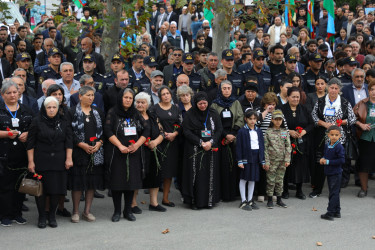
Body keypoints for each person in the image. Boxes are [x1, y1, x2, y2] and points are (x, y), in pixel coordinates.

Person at [27, 96, 73, 228]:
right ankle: (42, 216)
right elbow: (30, 144)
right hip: (41, 161)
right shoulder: (37, 121)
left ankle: (52, 215)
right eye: (49, 107)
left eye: (54, 107)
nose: (52, 110)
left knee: (56, 190)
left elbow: (69, 141)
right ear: (44, 108)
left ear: (58, 109)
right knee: (41, 190)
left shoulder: (64, 122)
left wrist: (69, 158)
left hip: (59, 161)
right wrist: (31, 162)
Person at [104, 88, 148, 222]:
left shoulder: (135, 113)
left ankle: (127, 211)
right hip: (117, 152)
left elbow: (147, 129)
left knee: (131, 183)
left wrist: (137, 145)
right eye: (126, 97)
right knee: (117, 183)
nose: (128, 100)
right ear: (120, 98)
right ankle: (117, 211)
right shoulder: (113, 112)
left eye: (130, 98)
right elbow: (107, 130)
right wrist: (120, 146)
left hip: (133, 152)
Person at [311, 78, 357, 192]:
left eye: (336, 88)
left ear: (339, 89)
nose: (333, 90)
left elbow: (352, 119)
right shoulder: (321, 101)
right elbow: (313, 116)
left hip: (339, 137)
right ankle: (317, 189)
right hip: (323, 136)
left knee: (337, 163)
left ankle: (336, 189)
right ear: (328, 88)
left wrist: (340, 122)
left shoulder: (345, 102)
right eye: (331, 88)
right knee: (321, 162)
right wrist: (324, 123)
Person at [68, 86, 105, 223]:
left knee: (91, 183)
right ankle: (76, 211)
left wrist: (99, 143)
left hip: (95, 152)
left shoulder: (97, 111)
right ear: (80, 96)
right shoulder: (72, 112)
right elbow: (69, 132)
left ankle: (87, 211)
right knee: (78, 183)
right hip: (79, 152)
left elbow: (104, 132)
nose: (91, 98)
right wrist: (81, 144)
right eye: (88, 95)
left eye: (92, 95)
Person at [0, 80, 34, 227]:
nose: (13, 95)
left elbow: (34, 128)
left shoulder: (26, 110)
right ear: (3, 95)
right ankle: (5, 215)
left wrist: (27, 134)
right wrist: (6, 134)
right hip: (4, 154)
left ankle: (17, 213)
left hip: (22, 154)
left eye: (15, 92)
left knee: (20, 186)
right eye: (9, 93)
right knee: (5, 187)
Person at [181, 92, 222, 209]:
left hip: (210, 149)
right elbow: (186, 131)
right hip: (194, 149)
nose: (203, 106)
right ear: (196, 103)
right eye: (200, 103)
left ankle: (209, 201)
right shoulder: (190, 114)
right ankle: (195, 201)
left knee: (210, 174)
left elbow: (219, 129)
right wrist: (200, 142)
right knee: (196, 175)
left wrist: (211, 142)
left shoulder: (213, 113)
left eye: (205, 103)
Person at [211, 80, 244, 202]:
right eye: (224, 88)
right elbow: (214, 121)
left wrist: (233, 133)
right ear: (220, 90)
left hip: (233, 139)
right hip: (220, 139)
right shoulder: (215, 104)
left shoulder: (236, 102)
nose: (226, 91)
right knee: (221, 167)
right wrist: (225, 135)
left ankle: (233, 193)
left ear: (232, 90)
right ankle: (221, 193)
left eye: (228, 88)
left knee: (233, 166)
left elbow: (240, 118)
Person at [133, 92, 166, 212]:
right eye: (138, 102)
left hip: (155, 150)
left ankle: (154, 203)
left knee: (155, 175)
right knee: (137, 177)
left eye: (143, 102)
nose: (140, 104)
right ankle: (133, 204)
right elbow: (131, 134)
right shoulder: (133, 116)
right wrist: (145, 142)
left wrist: (155, 142)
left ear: (148, 104)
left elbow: (162, 132)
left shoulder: (153, 115)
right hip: (139, 151)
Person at [150, 86, 181, 207]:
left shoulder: (176, 108)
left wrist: (175, 133)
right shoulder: (154, 108)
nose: (166, 96)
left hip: (172, 143)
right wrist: (162, 134)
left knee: (169, 172)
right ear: (159, 96)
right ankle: (154, 201)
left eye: (168, 93)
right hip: (159, 142)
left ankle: (166, 198)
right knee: (158, 171)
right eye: (163, 94)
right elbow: (154, 123)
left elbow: (179, 123)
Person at [281, 86, 314, 200]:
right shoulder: (282, 109)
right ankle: (284, 190)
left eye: (297, 97)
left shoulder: (304, 109)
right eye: (293, 97)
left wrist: (304, 131)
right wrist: (288, 131)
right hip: (286, 142)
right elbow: (276, 126)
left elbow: (311, 124)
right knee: (286, 166)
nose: (295, 99)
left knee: (301, 166)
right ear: (288, 97)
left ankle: (299, 190)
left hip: (301, 142)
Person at [236, 110, 265, 211]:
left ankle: (250, 199)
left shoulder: (259, 130)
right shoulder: (241, 131)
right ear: (246, 119)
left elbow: (261, 145)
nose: (252, 121)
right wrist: (239, 160)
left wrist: (262, 159)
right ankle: (243, 200)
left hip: (256, 156)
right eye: (250, 119)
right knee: (244, 178)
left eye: (254, 119)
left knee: (253, 178)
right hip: (246, 157)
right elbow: (238, 147)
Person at [264, 110, 291, 208]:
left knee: (280, 180)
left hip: (282, 160)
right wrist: (266, 161)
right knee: (270, 180)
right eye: (276, 119)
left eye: (280, 119)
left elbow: (288, 146)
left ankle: (279, 199)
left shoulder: (284, 132)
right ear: (272, 120)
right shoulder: (268, 132)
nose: (278, 122)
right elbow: (265, 148)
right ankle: (270, 199)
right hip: (271, 160)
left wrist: (287, 159)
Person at [353, 80, 375, 198]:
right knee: (363, 164)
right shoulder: (362, 103)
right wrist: (360, 125)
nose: (374, 92)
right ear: (368, 91)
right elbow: (352, 117)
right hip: (365, 138)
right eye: (372, 89)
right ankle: (364, 189)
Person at [320, 125, 345, 221]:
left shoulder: (339, 147)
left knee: (333, 193)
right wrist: (323, 158)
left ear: (340, 136)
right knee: (334, 192)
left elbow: (342, 160)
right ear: (328, 135)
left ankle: (330, 212)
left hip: (336, 173)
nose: (334, 136)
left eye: (336, 135)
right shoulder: (327, 144)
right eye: (332, 135)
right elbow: (326, 155)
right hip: (329, 172)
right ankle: (337, 211)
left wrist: (328, 162)